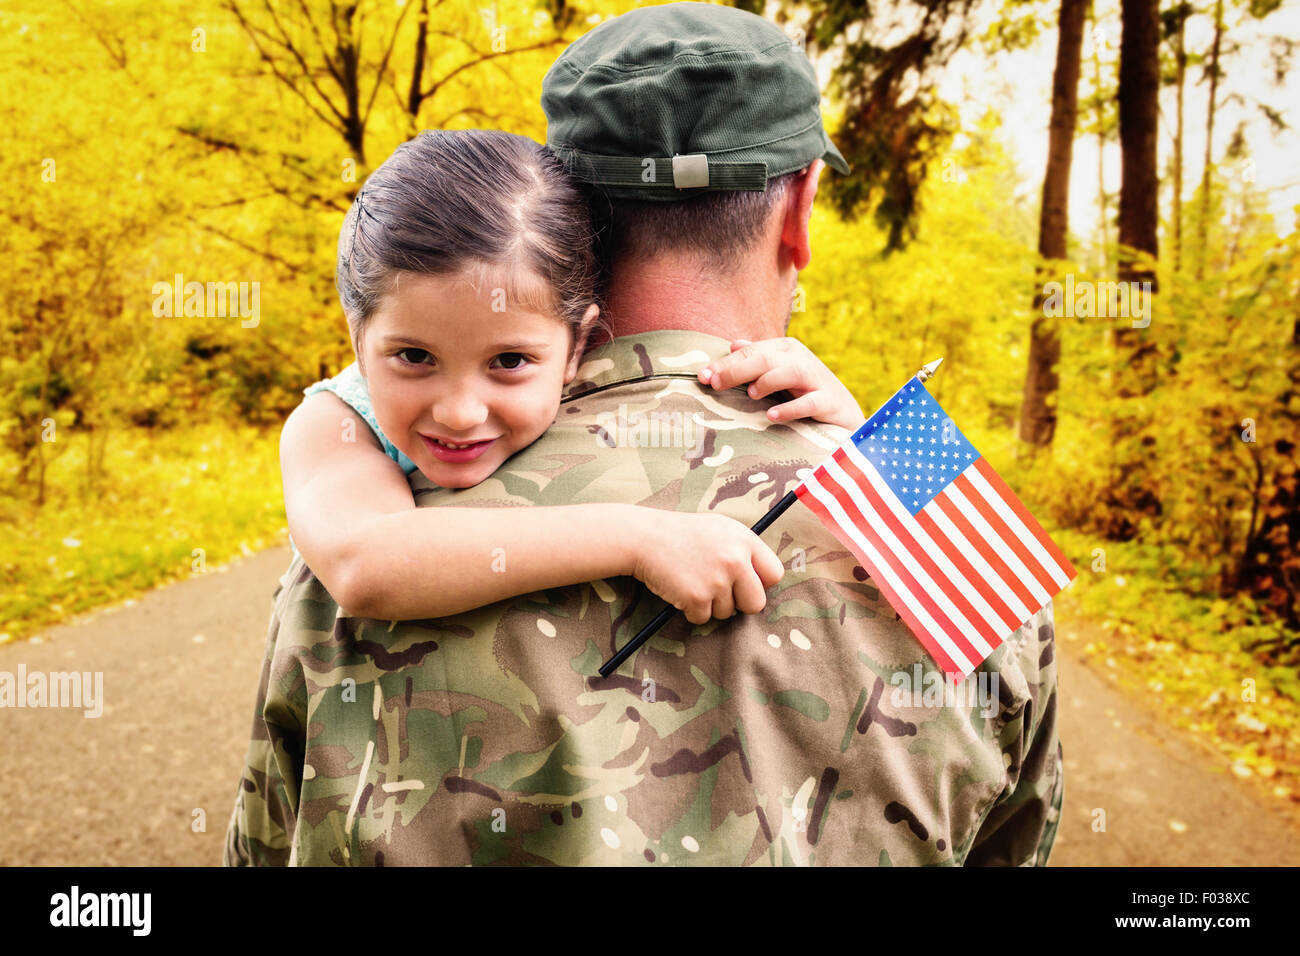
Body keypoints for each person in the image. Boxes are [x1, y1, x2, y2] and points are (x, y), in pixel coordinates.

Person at [225, 1, 1063, 866]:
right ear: (801, 210)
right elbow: (1017, 841)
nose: (460, 410)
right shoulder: (945, 528)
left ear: (565, 217)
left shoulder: (407, 519)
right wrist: (863, 453)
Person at [279, 129, 865, 629]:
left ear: (577, 348)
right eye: (412, 356)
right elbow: (365, 567)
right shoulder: (333, 424)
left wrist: (849, 428)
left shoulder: (598, 386)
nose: (459, 412)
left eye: (507, 363)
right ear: (358, 337)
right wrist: (641, 540)